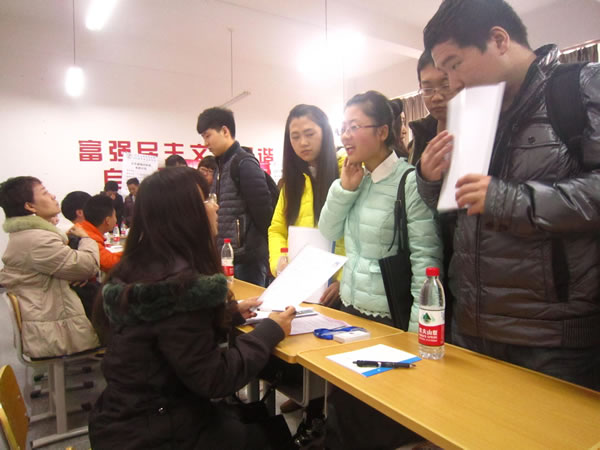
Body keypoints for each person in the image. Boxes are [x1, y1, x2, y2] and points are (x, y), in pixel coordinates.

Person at [418, 0, 600, 391]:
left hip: (551, 338)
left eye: (455, 64)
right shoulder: (473, 112)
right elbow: (461, 210)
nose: (453, 83)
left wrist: (507, 200)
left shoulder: (579, 87)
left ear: (499, 40)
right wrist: (432, 181)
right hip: (472, 327)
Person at [88, 167, 296, 449]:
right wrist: (270, 331)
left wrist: (228, 314)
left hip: (127, 417)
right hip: (158, 432)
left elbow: (166, 334)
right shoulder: (180, 287)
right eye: (206, 200)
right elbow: (216, 378)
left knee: (256, 419)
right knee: (270, 435)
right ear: (184, 215)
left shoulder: (138, 269)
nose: (215, 207)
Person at [318, 91, 442, 449]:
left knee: (376, 422)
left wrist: (418, 336)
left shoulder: (409, 182)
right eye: (342, 128)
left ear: (383, 131)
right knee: (344, 410)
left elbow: (426, 260)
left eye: (354, 127)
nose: (345, 136)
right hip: (351, 314)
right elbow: (328, 231)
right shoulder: (354, 178)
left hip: (390, 321)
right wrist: (344, 189)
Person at [0, 176, 100, 358]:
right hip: (53, 331)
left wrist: (75, 274)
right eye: (45, 193)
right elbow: (88, 266)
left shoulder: (27, 235)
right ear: (30, 206)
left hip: (46, 318)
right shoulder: (38, 239)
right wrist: (86, 238)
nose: (53, 196)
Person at [269, 104, 344, 305]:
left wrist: (344, 280)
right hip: (299, 287)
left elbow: (361, 236)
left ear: (325, 133)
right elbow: (277, 230)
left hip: (339, 290)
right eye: (295, 137)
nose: (303, 142)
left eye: (310, 134)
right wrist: (279, 261)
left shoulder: (346, 173)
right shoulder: (291, 184)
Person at [197, 107, 273, 286]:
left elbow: (264, 212)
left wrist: (262, 250)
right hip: (229, 255)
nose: (205, 143)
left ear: (225, 131)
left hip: (248, 258)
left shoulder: (244, 163)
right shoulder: (220, 166)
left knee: (251, 301)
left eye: (208, 136)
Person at [408, 50, 457, 165]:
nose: (436, 97)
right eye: (427, 89)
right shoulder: (421, 136)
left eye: (446, 86)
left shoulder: (483, 132)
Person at [79, 194, 122, 273]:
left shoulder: (83, 229)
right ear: (107, 221)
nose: (116, 220)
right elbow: (111, 263)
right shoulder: (88, 237)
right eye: (115, 216)